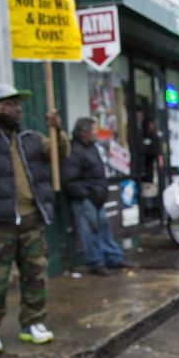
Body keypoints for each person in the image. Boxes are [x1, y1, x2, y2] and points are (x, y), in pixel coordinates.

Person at [0, 83, 70, 355]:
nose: (18, 109)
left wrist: (58, 131)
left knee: (35, 273)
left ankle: (33, 322)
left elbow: (59, 153)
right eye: (11, 104)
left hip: (31, 218)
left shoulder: (30, 137)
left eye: (18, 104)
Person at [62, 118, 123, 276]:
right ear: (84, 133)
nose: (96, 133)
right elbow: (70, 179)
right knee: (90, 230)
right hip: (86, 197)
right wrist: (86, 193)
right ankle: (97, 262)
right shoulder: (74, 150)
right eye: (93, 130)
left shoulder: (92, 148)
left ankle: (112, 257)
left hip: (96, 196)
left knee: (103, 228)